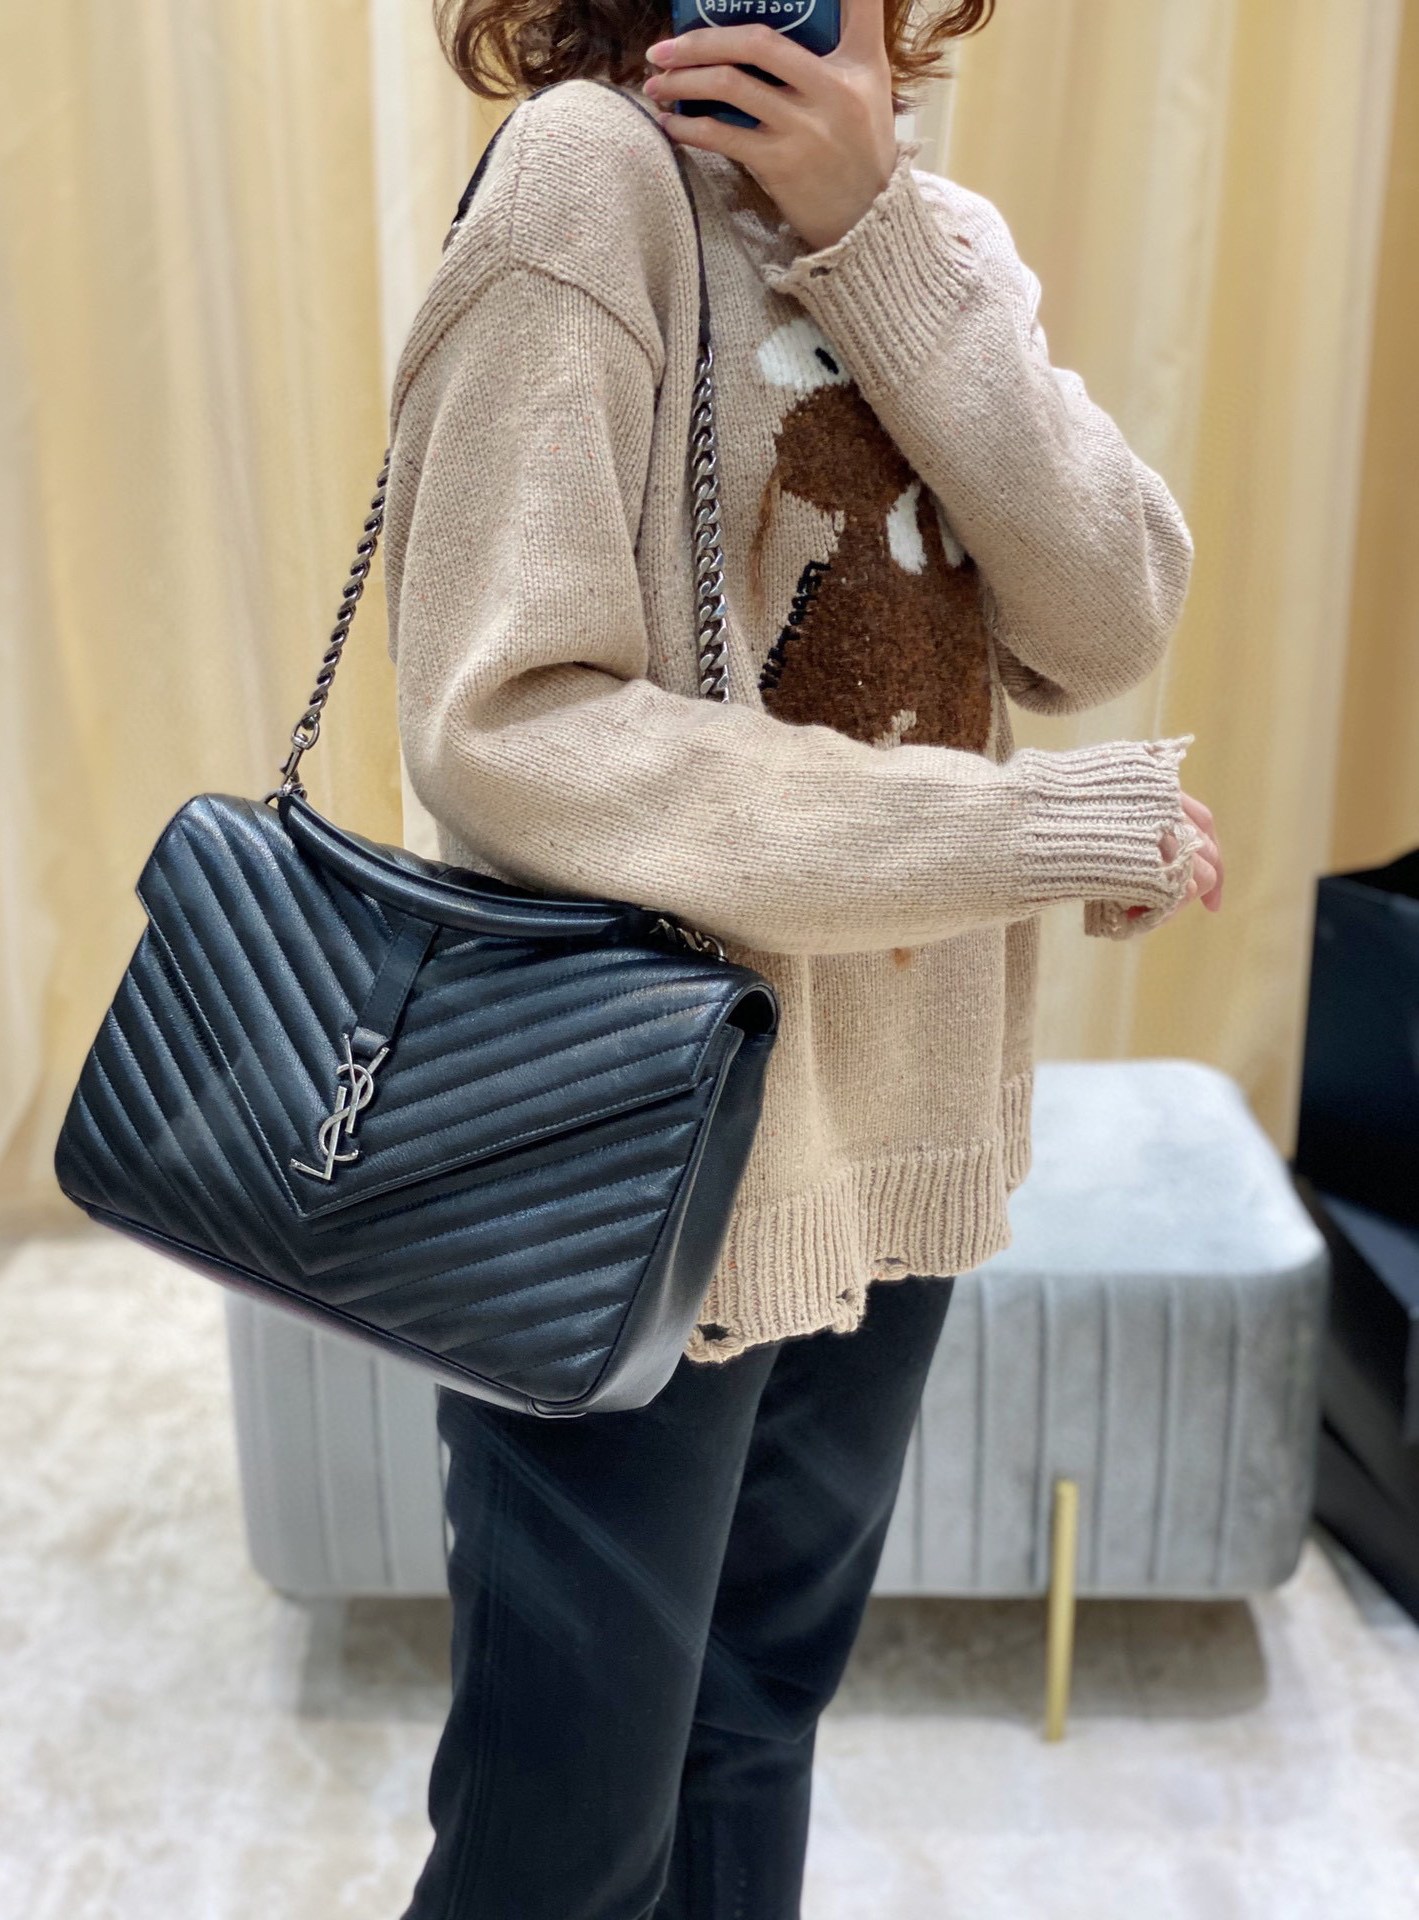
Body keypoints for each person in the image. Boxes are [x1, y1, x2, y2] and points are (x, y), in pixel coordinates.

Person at [384, 1, 1224, 1913]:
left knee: (758, 1724)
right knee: (560, 1844)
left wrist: (878, 239)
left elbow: (1105, 619)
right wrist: (1020, 835)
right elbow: (511, 727)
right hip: (624, 1158)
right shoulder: (589, 180)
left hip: (886, 1142)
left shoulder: (937, 238)